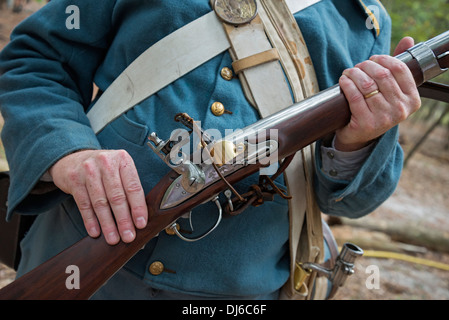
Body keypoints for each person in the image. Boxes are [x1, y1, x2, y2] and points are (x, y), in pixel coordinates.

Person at [0, 0, 420, 299]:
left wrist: (359, 141)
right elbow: (36, 60)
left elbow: (355, 201)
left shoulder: (362, 21)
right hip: (73, 252)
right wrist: (67, 153)